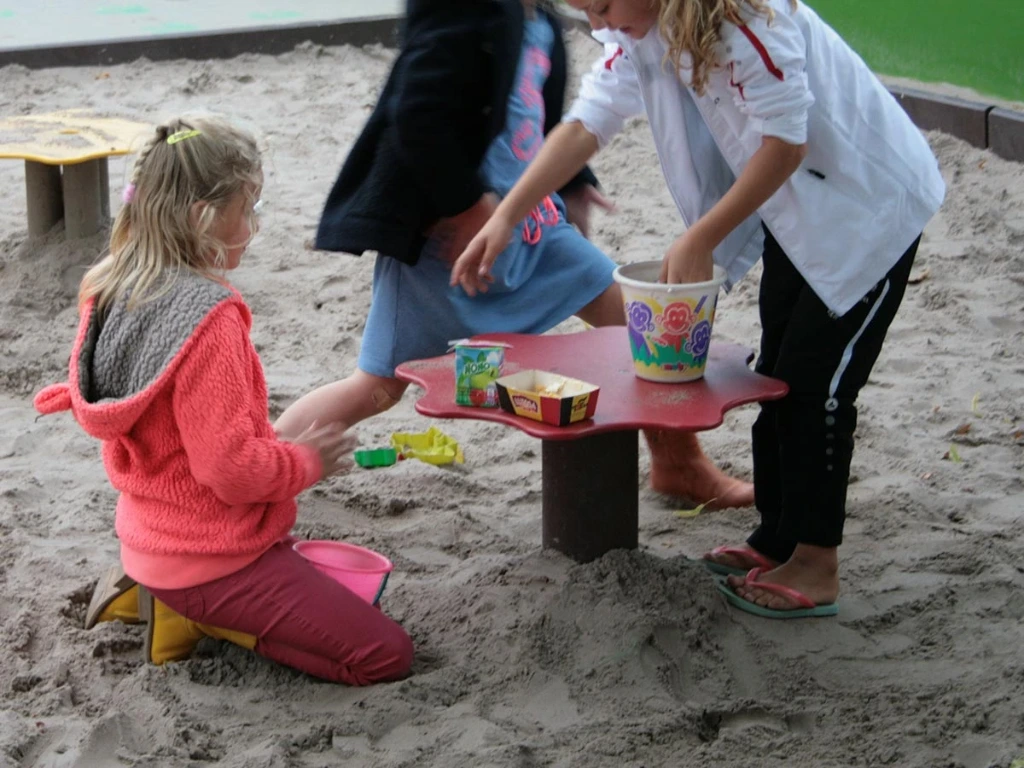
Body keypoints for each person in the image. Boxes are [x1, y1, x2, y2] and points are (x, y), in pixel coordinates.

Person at [453, 0, 945, 617]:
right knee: (778, 379)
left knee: (819, 392)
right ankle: (777, 537)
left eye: (602, 6)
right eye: (585, 13)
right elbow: (587, 122)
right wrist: (508, 213)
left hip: (867, 214)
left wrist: (701, 236)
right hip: (798, 220)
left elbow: (786, 143)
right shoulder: (642, 29)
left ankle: (817, 562)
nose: (599, 25)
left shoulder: (751, 19)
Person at [273, 0, 752, 510]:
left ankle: (679, 464)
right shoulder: (468, 11)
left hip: (536, 225)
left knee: (637, 321)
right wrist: (465, 204)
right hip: (448, 244)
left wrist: (572, 182)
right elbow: (416, 115)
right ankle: (267, 461)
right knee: (379, 386)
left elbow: (540, 121)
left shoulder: (539, 21)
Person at [34, 117, 413, 682]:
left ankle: (165, 601)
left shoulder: (110, 287)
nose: (254, 225)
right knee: (385, 654)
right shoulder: (208, 319)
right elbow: (229, 471)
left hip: (146, 542)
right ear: (201, 217)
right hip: (210, 562)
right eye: (248, 207)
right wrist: (307, 462)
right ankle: (208, 622)